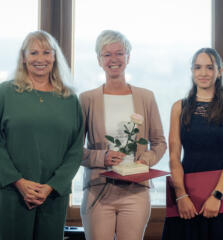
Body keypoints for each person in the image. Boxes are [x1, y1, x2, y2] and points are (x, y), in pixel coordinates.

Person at [0, 30, 83, 240]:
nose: (40, 59)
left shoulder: (70, 99)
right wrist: (19, 182)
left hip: (53, 194)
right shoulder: (6, 92)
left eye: (46, 52)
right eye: (34, 53)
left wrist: (51, 187)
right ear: (23, 57)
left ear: (54, 57)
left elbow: (75, 150)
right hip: (12, 192)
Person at [79, 30, 167, 240]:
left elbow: (159, 142)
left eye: (119, 53)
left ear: (128, 57)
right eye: (107, 54)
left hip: (135, 191)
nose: (114, 59)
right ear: (99, 60)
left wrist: (147, 158)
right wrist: (103, 157)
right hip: (98, 191)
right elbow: (74, 150)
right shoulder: (87, 99)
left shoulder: (146, 97)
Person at [162, 48, 223, 239]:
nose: (203, 73)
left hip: (222, 192)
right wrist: (181, 196)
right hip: (185, 192)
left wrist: (217, 195)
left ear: (220, 71)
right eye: (198, 67)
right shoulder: (179, 107)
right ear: (192, 71)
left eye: (209, 67)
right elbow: (174, 157)